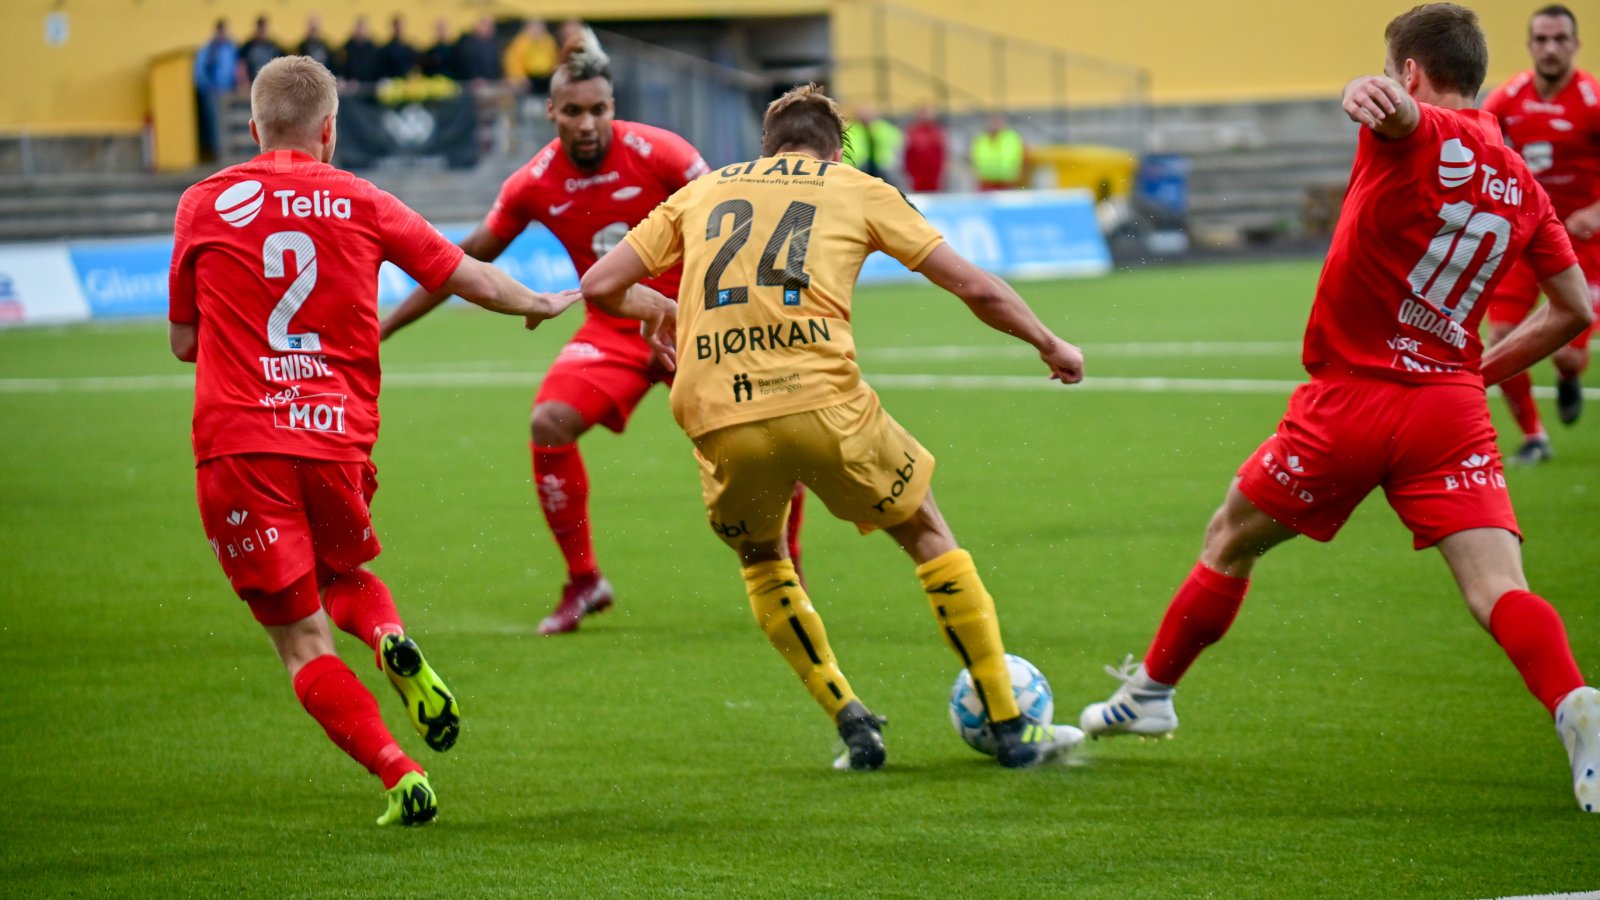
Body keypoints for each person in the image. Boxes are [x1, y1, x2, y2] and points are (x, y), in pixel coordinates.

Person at [1076, 4, 1600, 814]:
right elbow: (1571, 309)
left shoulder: (1413, 125)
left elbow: (1395, 112)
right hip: (1450, 409)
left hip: (1351, 403)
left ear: (1413, 72)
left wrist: (1376, 94)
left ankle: (1151, 692)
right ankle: (1573, 703)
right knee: (1499, 588)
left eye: (1393, 71)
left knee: (1229, 538)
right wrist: (1479, 375)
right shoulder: (1521, 185)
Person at [580, 83, 1089, 770]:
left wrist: (661, 311)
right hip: (821, 400)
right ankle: (1008, 724)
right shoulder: (854, 186)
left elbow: (599, 285)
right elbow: (975, 286)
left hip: (715, 407)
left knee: (763, 560)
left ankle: (851, 718)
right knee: (925, 530)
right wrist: (1050, 343)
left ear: (767, 148)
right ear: (834, 148)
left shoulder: (703, 193)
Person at [168, 56, 580, 825]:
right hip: (335, 438)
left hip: (239, 446)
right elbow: (466, 274)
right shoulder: (361, 197)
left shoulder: (202, 204)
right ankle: (390, 635)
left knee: (301, 643)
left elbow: (183, 341)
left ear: (254, 128)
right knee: (345, 575)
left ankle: (400, 773)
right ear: (330, 130)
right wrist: (537, 301)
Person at [382, 34, 809, 635]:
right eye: (574, 111)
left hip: (696, 323)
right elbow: (459, 262)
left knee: (769, 441)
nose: (587, 123)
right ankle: (585, 581)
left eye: (599, 110)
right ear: (551, 112)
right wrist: (384, 328)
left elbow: (730, 225)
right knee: (547, 423)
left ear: (614, 107)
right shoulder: (531, 183)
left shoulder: (662, 154)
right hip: (614, 328)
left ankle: (789, 575)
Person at [1481, 4, 1600, 464]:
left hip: (1582, 243)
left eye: (1559, 39)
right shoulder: (1508, 98)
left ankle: (1569, 377)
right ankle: (1534, 436)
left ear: (1575, 44)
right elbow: (1480, 145)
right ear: (1530, 45)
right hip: (1525, 237)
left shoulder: (1592, 100)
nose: (1550, 48)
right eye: (1542, 40)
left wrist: (1594, 210)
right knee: (1504, 337)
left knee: (1567, 355)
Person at [193, 19, 238, 162]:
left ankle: (230, 154)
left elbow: (235, 67)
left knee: (230, 124)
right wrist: (208, 87)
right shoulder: (209, 49)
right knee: (216, 124)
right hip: (213, 92)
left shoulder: (230, 47)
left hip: (229, 92)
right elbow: (199, 71)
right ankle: (219, 154)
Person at [841, 105, 901, 183]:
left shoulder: (884, 128)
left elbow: (896, 143)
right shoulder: (851, 129)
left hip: (882, 165)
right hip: (859, 166)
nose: (866, 118)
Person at [970, 113, 1026, 190]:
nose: (995, 125)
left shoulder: (1010, 138)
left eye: (997, 122)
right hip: (986, 182)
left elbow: (1016, 157)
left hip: (1007, 181)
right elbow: (976, 157)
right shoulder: (982, 139)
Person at [504, 19, 559, 95]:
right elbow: (513, 62)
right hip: (527, 79)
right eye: (534, 27)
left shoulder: (548, 41)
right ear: (527, 29)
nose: (537, 30)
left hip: (545, 78)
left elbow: (554, 58)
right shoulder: (520, 43)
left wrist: (553, 75)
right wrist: (520, 76)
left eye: (539, 27)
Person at [902, 106, 948, 193]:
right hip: (917, 175)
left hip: (934, 175)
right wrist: (909, 174)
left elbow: (943, 154)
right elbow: (908, 154)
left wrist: (942, 174)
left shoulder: (938, 131)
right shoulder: (913, 131)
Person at [454, 16, 503, 85]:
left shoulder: (494, 44)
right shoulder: (468, 43)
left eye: (491, 26)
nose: (489, 29)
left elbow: (497, 64)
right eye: (486, 25)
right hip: (471, 84)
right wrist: (474, 77)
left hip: (491, 83)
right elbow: (465, 63)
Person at [237, 16, 283, 85]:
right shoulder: (248, 46)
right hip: (252, 83)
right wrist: (244, 81)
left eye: (264, 29)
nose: (263, 32)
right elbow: (242, 64)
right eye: (261, 29)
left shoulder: (273, 46)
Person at [339, 17, 382, 85]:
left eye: (363, 29)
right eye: (359, 29)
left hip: (369, 85)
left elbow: (377, 68)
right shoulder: (347, 47)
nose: (360, 32)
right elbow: (341, 67)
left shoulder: (373, 48)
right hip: (351, 86)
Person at [377, 16, 419, 81]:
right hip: (392, 82)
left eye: (401, 26)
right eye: (397, 26)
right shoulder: (386, 49)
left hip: (406, 83)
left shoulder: (409, 48)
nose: (399, 29)